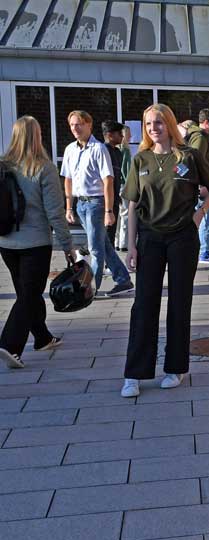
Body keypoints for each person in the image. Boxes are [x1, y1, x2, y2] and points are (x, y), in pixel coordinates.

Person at [119, 104, 209, 398]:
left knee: (179, 303)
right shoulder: (141, 159)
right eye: (149, 123)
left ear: (170, 124)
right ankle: (135, 374)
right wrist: (131, 246)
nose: (154, 128)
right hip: (150, 238)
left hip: (183, 238)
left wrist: (200, 214)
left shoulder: (188, 156)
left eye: (159, 123)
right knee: (144, 305)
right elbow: (133, 205)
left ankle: (175, 368)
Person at [0, 116, 75, 369]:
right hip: (35, 243)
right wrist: (67, 245)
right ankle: (10, 345)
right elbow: (55, 212)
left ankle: (42, 338)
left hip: (7, 242)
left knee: (26, 292)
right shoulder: (43, 167)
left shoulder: (3, 165)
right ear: (38, 136)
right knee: (29, 295)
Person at [61, 110, 134, 296]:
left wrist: (109, 210)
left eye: (79, 124)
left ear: (88, 125)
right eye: (72, 125)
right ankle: (123, 280)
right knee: (103, 245)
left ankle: (90, 289)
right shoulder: (70, 149)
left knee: (95, 249)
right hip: (80, 204)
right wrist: (69, 206)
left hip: (96, 204)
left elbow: (108, 180)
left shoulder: (99, 149)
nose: (75, 128)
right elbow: (68, 179)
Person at [184, 108, 209, 264]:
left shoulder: (200, 136)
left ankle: (201, 250)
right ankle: (204, 252)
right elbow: (195, 161)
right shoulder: (200, 137)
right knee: (207, 218)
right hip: (204, 186)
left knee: (204, 218)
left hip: (204, 184)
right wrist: (202, 184)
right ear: (207, 122)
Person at [101, 120, 125, 249]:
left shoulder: (118, 153)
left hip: (114, 198)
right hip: (104, 200)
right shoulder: (102, 151)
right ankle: (108, 264)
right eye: (119, 133)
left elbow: (117, 176)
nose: (122, 136)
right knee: (105, 233)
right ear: (110, 135)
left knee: (110, 231)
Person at [115, 125, 133, 251]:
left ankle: (116, 241)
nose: (131, 136)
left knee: (117, 215)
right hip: (123, 185)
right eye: (129, 134)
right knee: (125, 214)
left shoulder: (113, 149)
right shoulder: (125, 150)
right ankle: (124, 243)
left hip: (114, 185)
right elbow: (126, 171)